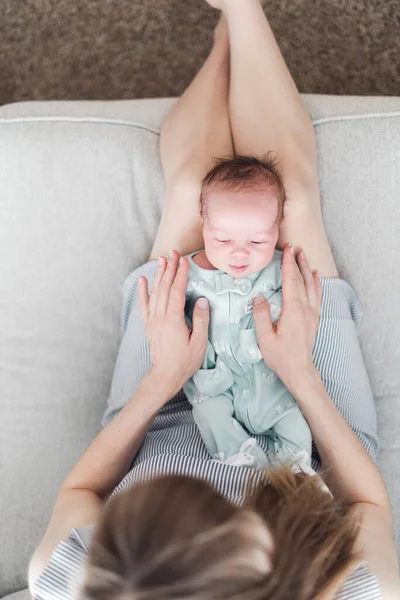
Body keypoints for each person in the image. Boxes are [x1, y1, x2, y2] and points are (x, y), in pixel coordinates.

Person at [28, 1, 399, 599]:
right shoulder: (352, 587)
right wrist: (299, 373)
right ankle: (243, 8)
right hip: (310, 430)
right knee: (293, 200)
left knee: (195, 187)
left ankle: (224, 39)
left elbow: (80, 495)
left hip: (164, 413)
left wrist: (164, 377)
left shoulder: (72, 578)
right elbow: (366, 500)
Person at [182, 154, 315, 471]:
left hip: (268, 383)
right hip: (215, 383)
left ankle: (297, 470)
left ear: (278, 225)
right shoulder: (189, 275)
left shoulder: (278, 272)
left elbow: (293, 312)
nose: (238, 252)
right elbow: (179, 324)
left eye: (257, 240)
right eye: (222, 238)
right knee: (209, 415)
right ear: (203, 219)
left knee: (294, 421)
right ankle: (242, 460)